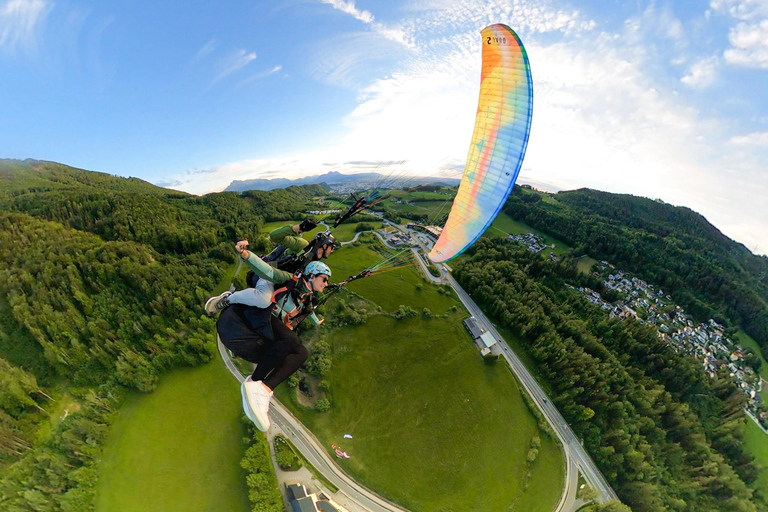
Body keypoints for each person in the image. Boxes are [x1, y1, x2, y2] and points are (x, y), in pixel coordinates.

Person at [205, 239, 331, 432]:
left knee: (301, 353)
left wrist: (316, 322)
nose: (327, 283)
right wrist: (246, 255)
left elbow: (308, 310)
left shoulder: (307, 297)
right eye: (324, 278)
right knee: (286, 334)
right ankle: (255, 383)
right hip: (258, 314)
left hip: (268, 322)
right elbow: (268, 272)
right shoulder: (291, 279)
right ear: (312, 275)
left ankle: (263, 388)